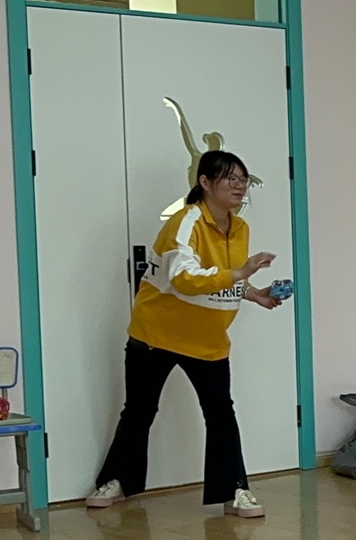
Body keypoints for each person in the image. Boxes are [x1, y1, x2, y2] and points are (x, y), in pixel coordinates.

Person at [86, 150, 284, 518]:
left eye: (243, 180)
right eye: (231, 179)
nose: (239, 186)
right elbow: (185, 278)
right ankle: (116, 480)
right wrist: (240, 273)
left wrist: (254, 292)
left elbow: (220, 275)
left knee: (221, 414)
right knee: (139, 411)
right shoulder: (184, 222)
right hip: (155, 335)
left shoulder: (240, 228)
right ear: (204, 182)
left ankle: (235, 490)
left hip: (208, 341)